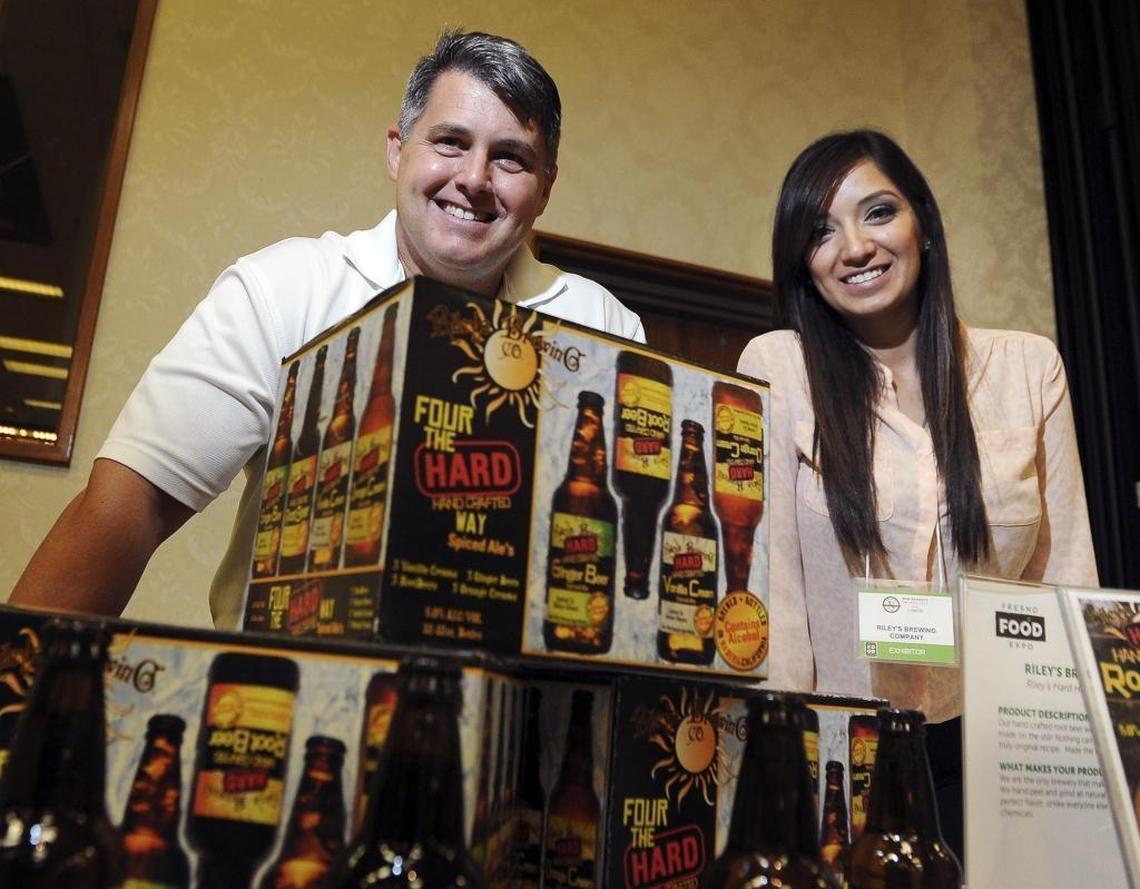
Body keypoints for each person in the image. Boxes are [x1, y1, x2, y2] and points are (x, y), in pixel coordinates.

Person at [10, 29, 644, 628]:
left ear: (546, 187)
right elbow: (129, 505)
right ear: (398, 151)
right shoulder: (283, 289)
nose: (474, 179)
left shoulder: (604, 327)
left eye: (510, 158)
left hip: (524, 722)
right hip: (293, 707)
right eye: (451, 142)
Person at [738, 129, 1098, 858]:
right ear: (803, 263)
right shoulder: (778, 366)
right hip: (843, 756)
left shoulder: (1031, 368)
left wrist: (1085, 775)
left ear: (922, 223)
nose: (855, 247)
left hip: (1004, 754)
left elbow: (1065, 586)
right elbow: (776, 598)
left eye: (877, 213)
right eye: (821, 231)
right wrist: (785, 777)